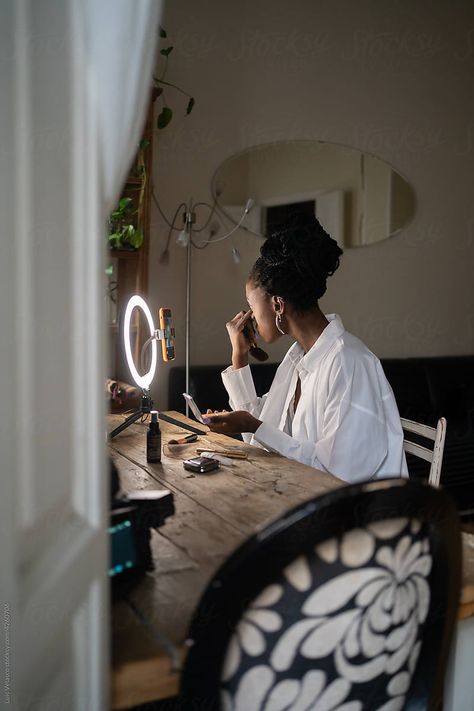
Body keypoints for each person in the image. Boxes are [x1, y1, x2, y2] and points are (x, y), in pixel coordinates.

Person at [203, 214, 408, 484]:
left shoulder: (348, 362)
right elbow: (262, 435)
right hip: (306, 496)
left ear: (278, 305)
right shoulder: (299, 357)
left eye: (252, 307)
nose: (249, 317)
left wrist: (252, 425)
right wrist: (239, 357)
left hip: (358, 512)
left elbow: (337, 473)